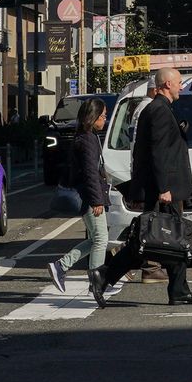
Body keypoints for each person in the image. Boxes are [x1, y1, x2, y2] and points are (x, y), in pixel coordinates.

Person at [99, 70, 192, 306]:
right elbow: (158, 153)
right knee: (155, 240)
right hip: (163, 189)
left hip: (162, 187)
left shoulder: (158, 109)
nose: (181, 88)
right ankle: (105, 274)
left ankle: (179, 290)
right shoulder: (159, 111)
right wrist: (164, 188)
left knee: (173, 239)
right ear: (167, 84)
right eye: (178, 83)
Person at [48, 97, 123, 305]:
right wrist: (97, 200)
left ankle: (61, 266)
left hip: (90, 196)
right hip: (90, 197)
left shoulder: (86, 136)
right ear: (94, 117)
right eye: (103, 115)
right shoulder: (87, 140)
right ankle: (95, 282)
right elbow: (90, 173)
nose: (105, 119)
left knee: (96, 239)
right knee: (101, 240)